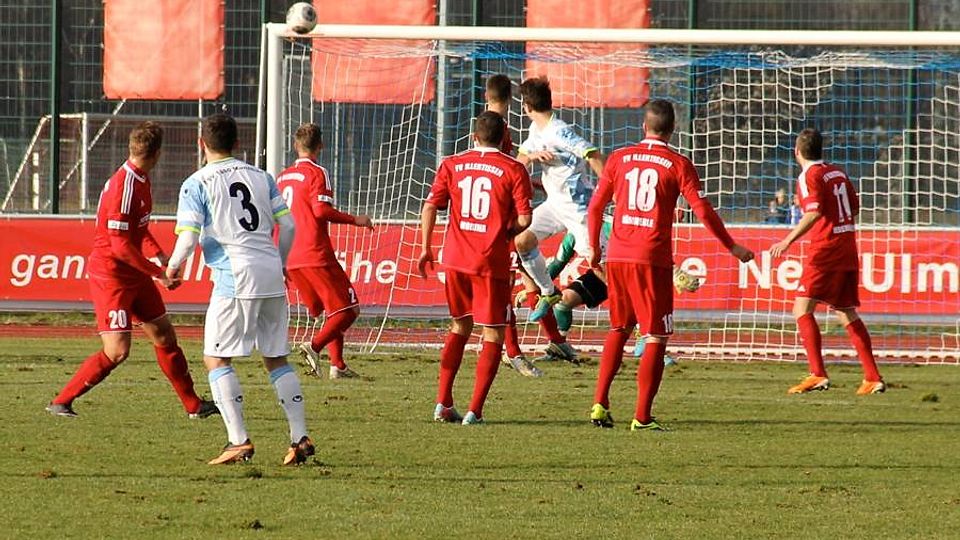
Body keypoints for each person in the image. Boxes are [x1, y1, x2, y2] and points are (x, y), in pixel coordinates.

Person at [587, 99, 754, 431]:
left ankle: (600, 404)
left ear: (643, 126)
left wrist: (594, 249)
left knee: (619, 328)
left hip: (617, 255)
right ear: (673, 129)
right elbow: (703, 211)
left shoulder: (619, 158)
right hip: (652, 259)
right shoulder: (678, 164)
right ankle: (642, 417)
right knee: (655, 335)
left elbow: (595, 208)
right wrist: (732, 246)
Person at [166, 113, 313, 465]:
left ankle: (238, 441)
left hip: (235, 278)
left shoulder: (196, 182)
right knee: (276, 357)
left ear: (201, 144)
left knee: (216, 358)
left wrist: (173, 266)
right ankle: (300, 437)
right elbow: (289, 226)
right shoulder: (262, 177)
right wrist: (280, 262)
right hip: (270, 273)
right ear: (236, 143)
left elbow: (188, 238)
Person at [46, 121, 216, 420]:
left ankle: (194, 406)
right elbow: (119, 245)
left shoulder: (140, 179)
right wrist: (158, 273)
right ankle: (61, 401)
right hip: (112, 276)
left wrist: (160, 255)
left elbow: (138, 228)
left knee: (164, 334)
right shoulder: (124, 186)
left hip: (133, 272)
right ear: (158, 153)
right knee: (117, 351)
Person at [417, 110, 533, 425]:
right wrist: (504, 231)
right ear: (505, 138)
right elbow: (525, 219)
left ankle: (443, 403)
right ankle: (475, 411)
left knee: (459, 326)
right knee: (493, 332)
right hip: (489, 262)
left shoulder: (452, 164)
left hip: (455, 260)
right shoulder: (513, 168)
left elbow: (430, 205)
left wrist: (426, 247)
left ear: (473, 137)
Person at [770, 128, 885, 396]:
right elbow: (854, 208)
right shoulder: (837, 173)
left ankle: (817, 374)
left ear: (797, 152)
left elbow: (813, 212)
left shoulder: (808, 175)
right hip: (847, 247)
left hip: (825, 249)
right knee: (845, 311)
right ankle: (872, 377)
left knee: (801, 308)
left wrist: (787, 241)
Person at [277, 123, 373, 379]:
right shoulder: (318, 172)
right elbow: (320, 211)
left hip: (290, 256)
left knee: (333, 310)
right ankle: (314, 346)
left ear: (295, 145)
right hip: (314, 252)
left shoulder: (282, 177)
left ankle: (337, 366)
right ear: (320, 145)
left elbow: (275, 219)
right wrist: (355, 220)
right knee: (349, 310)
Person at [514, 77, 605, 331]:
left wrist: (611, 189)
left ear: (526, 107)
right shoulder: (536, 130)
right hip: (554, 205)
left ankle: (641, 320)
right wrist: (533, 156)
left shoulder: (559, 131)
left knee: (600, 268)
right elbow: (519, 163)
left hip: (578, 210)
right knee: (522, 241)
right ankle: (549, 291)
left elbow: (592, 153)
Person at [484, 74, 540, 377]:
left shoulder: (483, 126)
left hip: (481, 219)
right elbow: (506, 171)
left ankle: (545, 343)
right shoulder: (499, 129)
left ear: (486, 95)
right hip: (502, 220)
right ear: (512, 99)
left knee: (526, 278)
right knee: (511, 284)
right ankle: (513, 351)